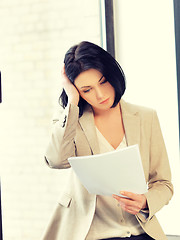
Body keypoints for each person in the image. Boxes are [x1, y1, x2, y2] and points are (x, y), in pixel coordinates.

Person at [42, 41, 173, 240]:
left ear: (112, 74)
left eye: (103, 82)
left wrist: (145, 201)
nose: (100, 95)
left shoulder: (146, 117)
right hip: (89, 233)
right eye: (87, 90)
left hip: (139, 231)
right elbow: (56, 161)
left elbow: (163, 183)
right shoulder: (69, 119)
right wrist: (72, 101)